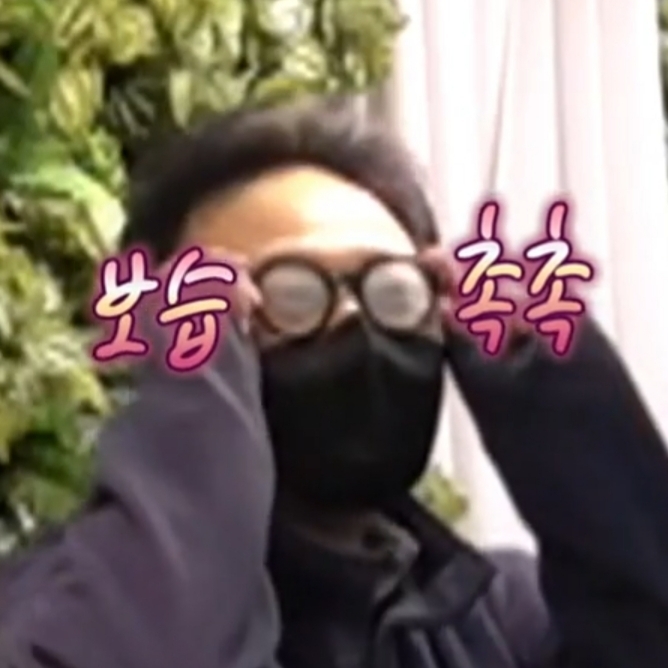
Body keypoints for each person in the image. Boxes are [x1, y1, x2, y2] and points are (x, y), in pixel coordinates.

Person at [2, 98, 668, 668]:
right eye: (290, 295)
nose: (353, 318)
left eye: (395, 291)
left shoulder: (491, 621)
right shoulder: (56, 611)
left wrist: (563, 396)